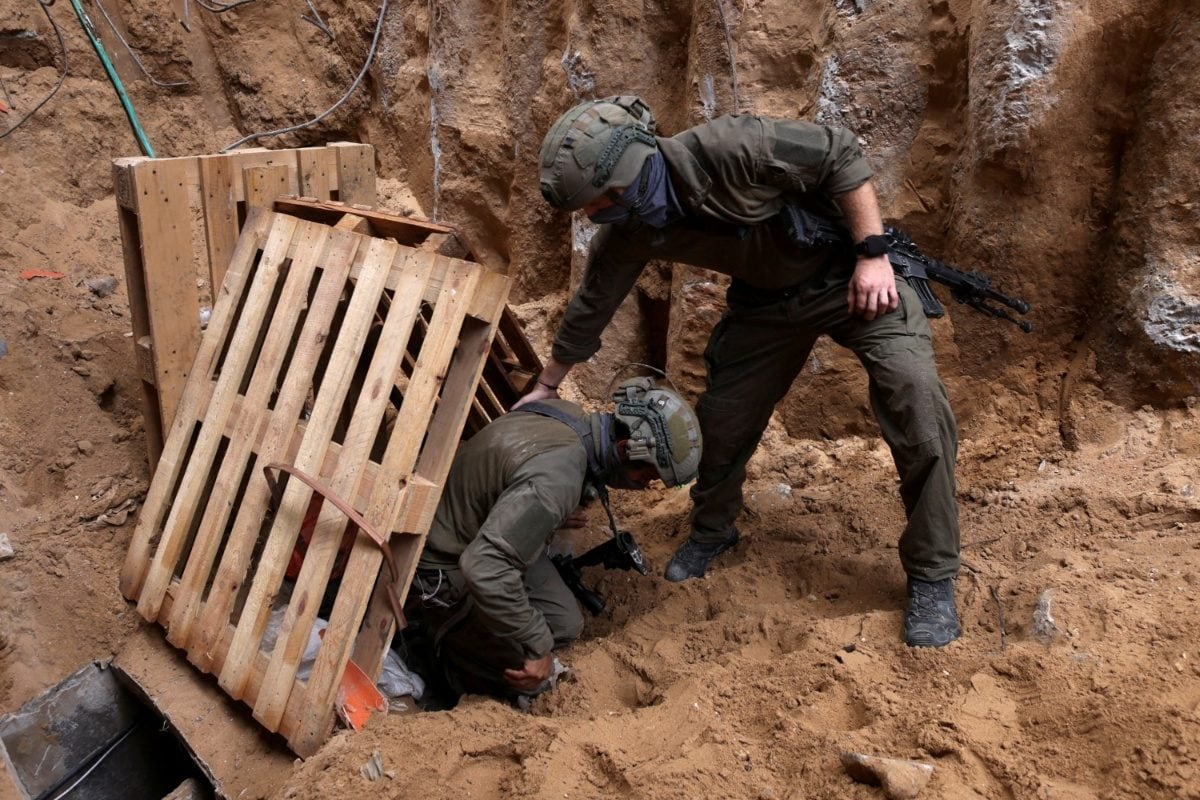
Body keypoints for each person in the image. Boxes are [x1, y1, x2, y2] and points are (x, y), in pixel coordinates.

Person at [519, 95, 962, 648]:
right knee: (721, 424)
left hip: (853, 282)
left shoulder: (732, 147)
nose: (596, 216)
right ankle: (713, 531)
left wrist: (872, 254)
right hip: (766, 305)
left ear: (631, 171)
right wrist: (545, 385)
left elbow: (842, 155)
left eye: (601, 201)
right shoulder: (630, 225)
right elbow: (593, 302)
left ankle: (933, 573)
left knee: (917, 402)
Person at [406, 377, 702, 704]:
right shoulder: (557, 482)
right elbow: (485, 568)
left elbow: (517, 481)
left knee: (564, 623)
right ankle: (439, 658)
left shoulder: (569, 417)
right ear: (623, 449)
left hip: (481, 530)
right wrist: (537, 646)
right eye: (646, 476)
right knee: (534, 680)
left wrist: (554, 514)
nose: (644, 486)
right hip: (441, 564)